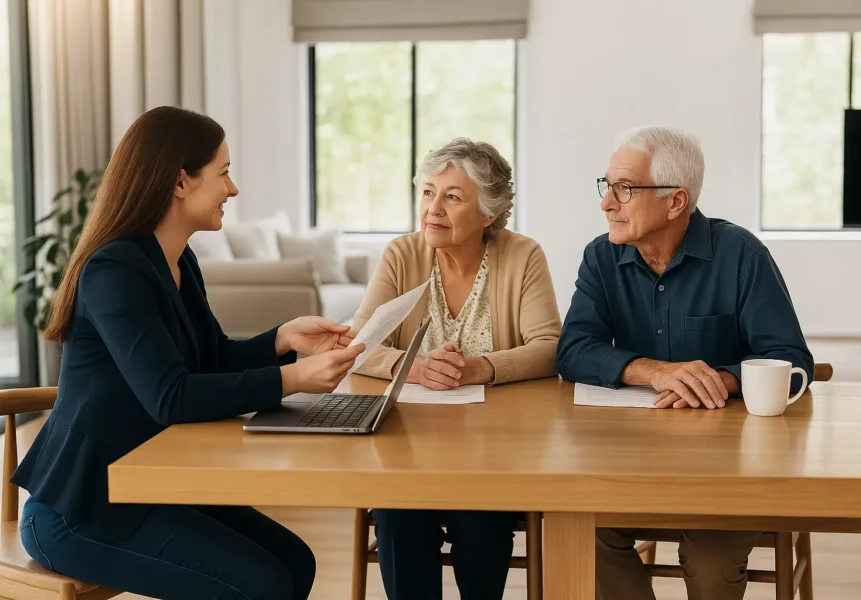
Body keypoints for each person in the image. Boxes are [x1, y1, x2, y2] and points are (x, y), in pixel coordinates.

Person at [13, 106, 366, 600]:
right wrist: (294, 379)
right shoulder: (114, 269)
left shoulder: (178, 260)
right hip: (81, 511)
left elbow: (210, 359)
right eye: (223, 172)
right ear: (181, 182)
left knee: (295, 563)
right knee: (261, 584)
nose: (234, 189)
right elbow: (171, 397)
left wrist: (284, 339)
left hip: (146, 487)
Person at [557, 126, 814, 600]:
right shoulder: (600, 257)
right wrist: (652, 370)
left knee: (711, 565)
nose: (606, 203)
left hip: (729, 467)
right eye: (607, 186)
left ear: (676, 202)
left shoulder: (741, 255)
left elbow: (791, 358)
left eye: (625, 189)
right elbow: (573, 349)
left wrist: (722, 378)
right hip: (629, 459)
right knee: (577, 533)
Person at [353, 138, 560, 600]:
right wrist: (414, 368)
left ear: (488, 214)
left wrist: (481, 368)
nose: (433, 209)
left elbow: (550, 348)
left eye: (452, 197)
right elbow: (360, 345)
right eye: (428, 192)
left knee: (483, 516)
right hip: (408, 450)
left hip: (496, 450)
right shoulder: (401, 255)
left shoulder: (522, 256)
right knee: (398, 513)